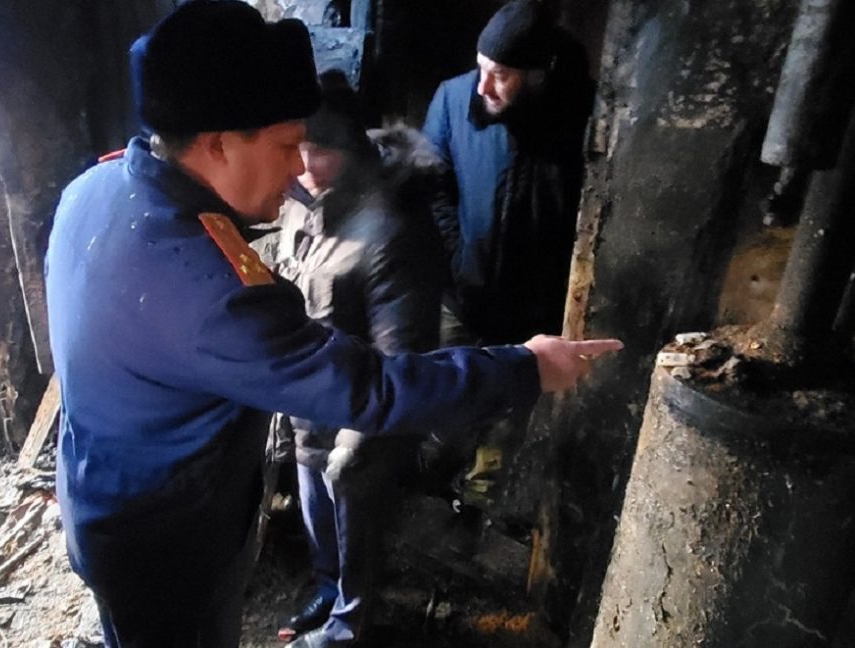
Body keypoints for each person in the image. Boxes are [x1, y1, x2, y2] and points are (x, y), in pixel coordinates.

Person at [44, 2, 622, 647]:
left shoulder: (94, 191)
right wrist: (526, 366)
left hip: (102, 498)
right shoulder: (211, 290)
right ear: (218, 144)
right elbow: (375, 389)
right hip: (170, 543)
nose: (298, 167)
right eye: (286, 145)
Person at [261, 71, 443, 648]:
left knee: (355, 525)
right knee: (319, 517)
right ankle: (327, 587)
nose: (305, 166)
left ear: (350, 149)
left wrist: (359, 440)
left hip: (357, 417)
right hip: (307, 409)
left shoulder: (391, 226)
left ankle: (347, 627)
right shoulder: (300, 204)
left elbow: (400, 352)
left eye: (320, 152)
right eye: (298, 149)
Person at [423, 0, 595, 346]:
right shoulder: (453, 100)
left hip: (536, 320)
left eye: (500, 75)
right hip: (461, 303)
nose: (483, 87)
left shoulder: (580, 115)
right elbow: (433, 188)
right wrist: (459, 260)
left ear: (537, 74)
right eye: (481, 68)